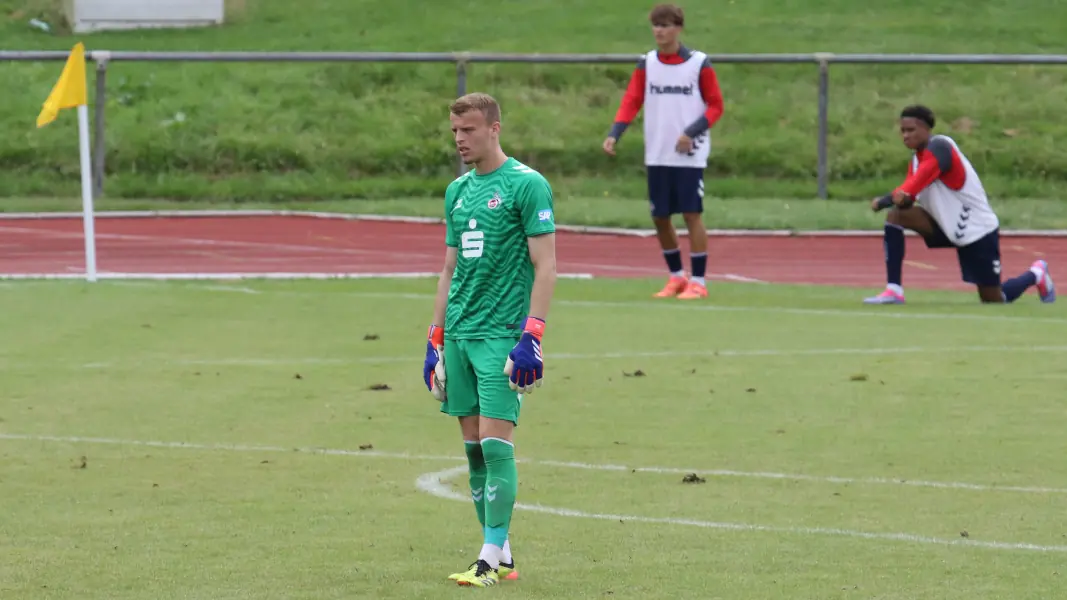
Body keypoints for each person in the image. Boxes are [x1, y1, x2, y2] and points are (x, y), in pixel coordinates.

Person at [423, 92, 557, 588]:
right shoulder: (456, 190)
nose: (460, 139)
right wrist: (434, 340)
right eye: (455, 131)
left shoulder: (527, 185)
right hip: (459, 334)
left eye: (470, 130)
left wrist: (532, 337)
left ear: (495, 128)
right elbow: (448, 269)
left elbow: (546, 266)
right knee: (474, 452)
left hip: (502, 336)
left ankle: (486, 558)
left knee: (497, 446)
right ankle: (501, 553)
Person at [864, 104, 1055, 305]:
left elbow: (914, 184)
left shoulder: (940, 148)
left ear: (926, 129)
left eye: (911, 130)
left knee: (994, 299)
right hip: (946, 226)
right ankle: (894, 290)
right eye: (902, 131)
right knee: (896, 216)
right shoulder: (915, 161)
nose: (905, 135)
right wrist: (898, 200)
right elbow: (908, 194)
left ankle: (1036, 274)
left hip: (977, 230)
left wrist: (884, 200)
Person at [602, 2, 724, 300]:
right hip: (657, 152)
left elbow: (716, 106)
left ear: (678, 28)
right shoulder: (648, 63)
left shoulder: (698, 63)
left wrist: (691, 132)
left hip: (689, 154)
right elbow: (632, 100)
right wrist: (615, 133)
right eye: (656, 25)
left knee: (692, 214)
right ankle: (675, 277)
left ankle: (698, 281)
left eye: (666, 25)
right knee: (660, 216)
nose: (660, 31)